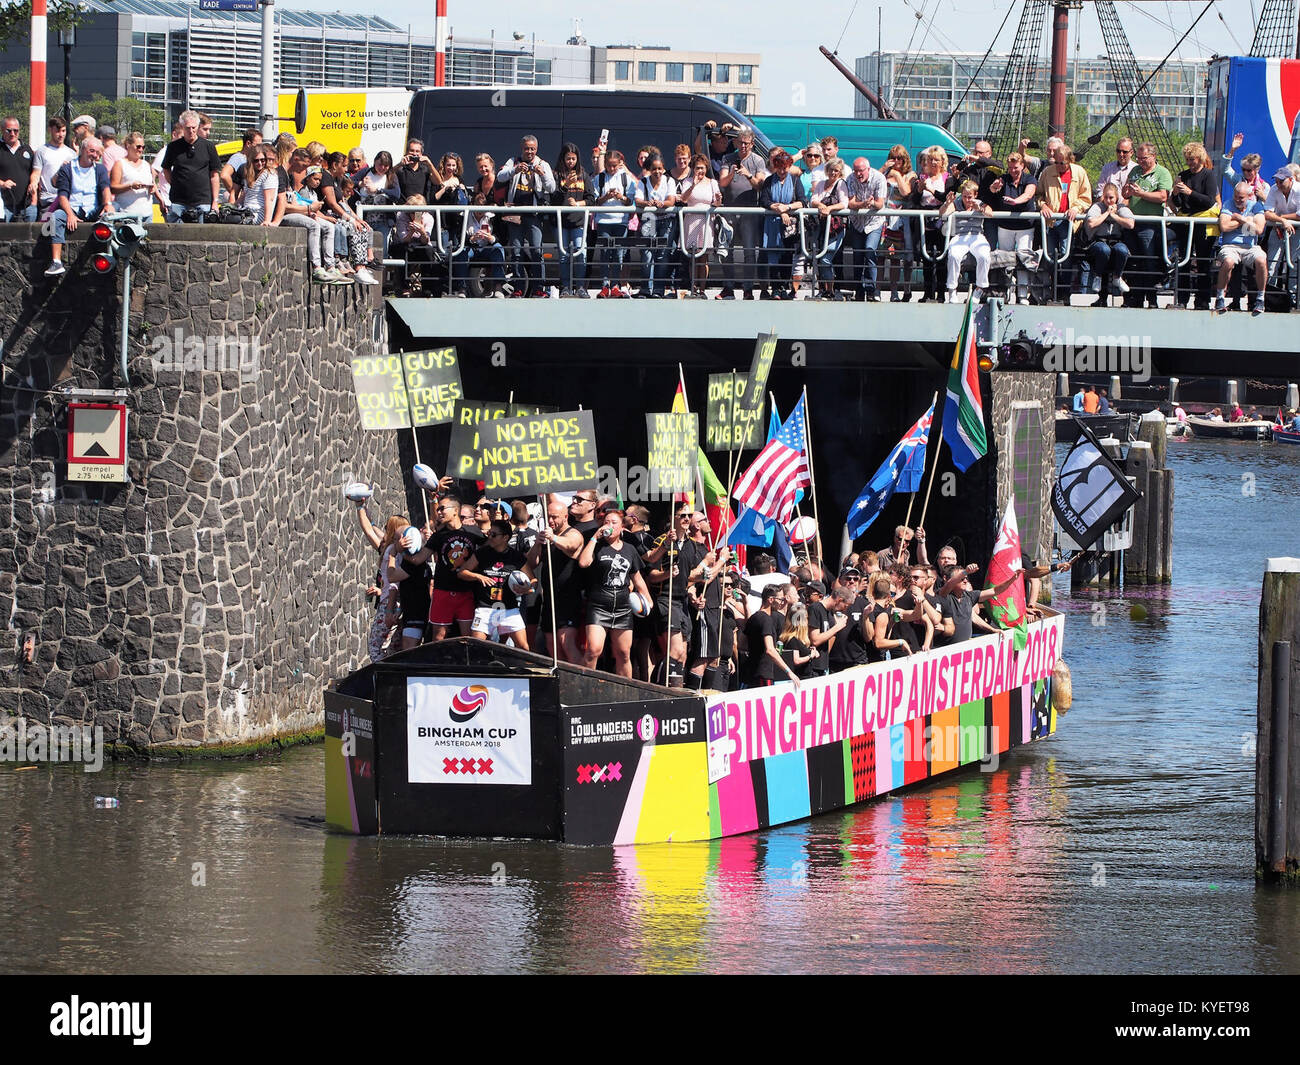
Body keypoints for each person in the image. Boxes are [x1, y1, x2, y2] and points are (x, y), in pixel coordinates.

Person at [578, 510, 654, 676]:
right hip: (599, 605)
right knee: (593, 650)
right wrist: (594, 538)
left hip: (622, 607)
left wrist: (648, 598)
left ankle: (625, 691)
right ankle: (583, 686)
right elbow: (583, 563)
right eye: (606, 522)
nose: (609, 525)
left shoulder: (630, 549)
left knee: (624, 654)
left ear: (622, 527)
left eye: (613, 522)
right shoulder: (597, 546)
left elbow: (637, 577)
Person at [527, 500, 587, 663]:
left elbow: (571, 545)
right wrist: (538, 544)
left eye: (554, 517)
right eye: (549, 518)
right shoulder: (547, 536)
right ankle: (561, 682)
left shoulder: (572, 533)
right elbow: (532, 562)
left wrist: (552, 537)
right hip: (550, 599)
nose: (551, 521)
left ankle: (580, 682)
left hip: (568, 598)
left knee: (566, 642)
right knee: (552, 645)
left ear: (565, 517)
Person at [458, 519, 533, 649]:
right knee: (476, 646)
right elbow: (462, 572)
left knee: (524, 647)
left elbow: (533, 581)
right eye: (489, 533)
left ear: (505, 537)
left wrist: (527, 588)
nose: (490, 537)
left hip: (508, 608)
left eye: (493, 535)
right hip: (485, 607)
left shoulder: (516, 556)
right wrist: (478, 576)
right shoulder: (482, 553)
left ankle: (521, 669)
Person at [498, 135, 557, 297]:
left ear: (536, 149)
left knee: (537, 251)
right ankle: (518, 288)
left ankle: (539, 288)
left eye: (532, 148)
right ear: (521, 148)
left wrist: (542, 174)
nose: (529, 152)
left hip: (533, 213)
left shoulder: (542, 163)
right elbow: (500, 176)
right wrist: (514, 170)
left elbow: (552, 188)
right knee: (516, 252)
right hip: (514, 212)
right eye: (526, 148)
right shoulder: (513, 161)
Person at [44, 137, 111, 277]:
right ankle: (56, 261)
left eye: (98, 153)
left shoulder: (100, 169)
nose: (95, 155)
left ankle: (109, 256)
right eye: (91, 151)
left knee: (112, 213)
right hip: (73, 207)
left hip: (93, 209)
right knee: (56, 217)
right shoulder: (67, 168)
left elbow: (105, 188)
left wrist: (107, 204)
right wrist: (69, 214)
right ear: (82, 150)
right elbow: (62, 195)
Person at [1035, 142, 1092, 298]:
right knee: (1050, 257)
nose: (1059, 165)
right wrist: (1043, 206)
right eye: (1057, 162)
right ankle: (1052, 291)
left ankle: (1064, 292)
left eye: (1063, 163)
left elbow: (1086, 198)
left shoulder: (1079, 173)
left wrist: (1076, 208)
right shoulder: (1047, 172)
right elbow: (1039, 195)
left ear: (1070, 161)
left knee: (1065, 256)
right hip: (1051, 220)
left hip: (1069, 221)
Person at [1122, 142, 1174, 309]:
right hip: (1132, 222)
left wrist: (1141, 194)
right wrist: (1127, 192)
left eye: (1144, 158)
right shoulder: (1135, 171)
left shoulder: (1162, 173)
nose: (1141, 162)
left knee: (1149, 260)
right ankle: (1134, 297)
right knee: (1133, 260)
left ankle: (1151, 298)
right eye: (1138, 158)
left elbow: (1162, 197)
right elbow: (1126, 193)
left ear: (1153, 156)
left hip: (1150, 224)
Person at [718, 128, 768, 300]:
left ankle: (748, 289)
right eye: (741, 143)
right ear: (737, 143)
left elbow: (759, 185)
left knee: (749, 251)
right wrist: (732, 173)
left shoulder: (758, 161)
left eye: (747, 143)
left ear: (752, 144)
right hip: (730, 209)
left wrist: (748, 175)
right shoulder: (728, 158)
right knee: (727, 250)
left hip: (749, 211)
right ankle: (728, 287)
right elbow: (722, 183)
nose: (744, 146)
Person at [1170, 142, 1220, 311]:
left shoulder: (1208, 175)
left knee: (1203, 262)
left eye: (1192, 159)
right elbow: (1178, 203)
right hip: (1186, 222)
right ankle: (1182, 298)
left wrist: (1190, 192)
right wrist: (1176, 194)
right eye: (1187, 159)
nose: (1189, 163)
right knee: (1184, 260)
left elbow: (1209, 200)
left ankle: (1203, 300)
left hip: (1203, 224)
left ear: (1200, 159)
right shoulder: (1183, 176)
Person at [986, 152, 1038, 303]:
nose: (1012, 171)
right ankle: (1005, 291)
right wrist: (994, 187)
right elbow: (993, 191)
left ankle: (1022, 294)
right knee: (1005, 259)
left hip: (1025, 226)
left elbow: (1028, 195)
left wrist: (1015, 202)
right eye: (1010, 168)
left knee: (1023, 257)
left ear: (1022, 166)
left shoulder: (1030, 179)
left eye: (1015, 168)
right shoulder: (1004, 178)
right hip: (1006, 226)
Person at [1214, 181, 1268, 315]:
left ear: (1249, 196)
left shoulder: (1256, 206)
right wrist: (1248, 221)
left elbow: (1259, 229)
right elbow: (1224, 227)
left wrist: (1239, 218)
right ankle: (1220, 297)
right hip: (1230, 246)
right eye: (1236, 196)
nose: (1238, 200)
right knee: (1228, 262)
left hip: (1250, 246)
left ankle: (1260, 298)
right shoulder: (1228, 204)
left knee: (1261, 260)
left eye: (1241, 197)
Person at [160, 110, 220, 222]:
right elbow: (166, 169)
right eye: (188, 128)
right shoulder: (173, 147)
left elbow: (214, 175)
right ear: (182, 127)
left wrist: (215, 201)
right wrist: (175, 183)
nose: (191, 131)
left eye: (194, 127)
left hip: (203, 201)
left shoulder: (209, 146)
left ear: (197, 127)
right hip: (179, 201)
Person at [759, 149, 803, 300]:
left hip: (789, 227)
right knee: (773, 257)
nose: (783, 170)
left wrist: (788, 208)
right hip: (772, 225)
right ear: (775, 166)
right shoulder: (769, 181)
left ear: (790, 166)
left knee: (787, 257)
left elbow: (802, 201)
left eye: (785, 167)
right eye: (780, 167)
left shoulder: (796, 181)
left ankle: (784, 286)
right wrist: (779, 210)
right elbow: (764, 200)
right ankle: (775, 288)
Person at [843, 155, 888, 300]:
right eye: (856, 171)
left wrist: (872, 203)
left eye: (861, 171)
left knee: (869, 251)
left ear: (868, 169)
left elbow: (880, 203)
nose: (858, 174)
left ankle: (871, 290)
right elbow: (850, 203)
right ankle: (858, 290)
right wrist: (863, 204)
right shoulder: (850, 179)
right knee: (857, 255)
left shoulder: (879, 178)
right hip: (857, 223)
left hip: (874, 222)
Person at [1082, 183, 1135, 305]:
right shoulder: (1097, 207)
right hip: (1099, 242)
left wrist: (1115, 216)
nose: (1108, 200)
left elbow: (1130, 224)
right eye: (1106, 197)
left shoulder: (1121, 208)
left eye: (1111, 198)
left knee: (1122, 250)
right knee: (1103, 250)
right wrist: (1107, 213)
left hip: (1116, 241)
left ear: (1116, 197)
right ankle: (1098, 276)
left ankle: (1117, 277)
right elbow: (1091, 223)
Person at [940, 179, 993, 301]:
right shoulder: (957, 202)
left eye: (970, 197)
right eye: (964, 196)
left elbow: (990, 213)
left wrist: (979, 208)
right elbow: (943, 214)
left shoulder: (980, 203)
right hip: (960, 235)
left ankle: (980, 288)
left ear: (975, 195)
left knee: (984, 256)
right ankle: (952, 289)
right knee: (954, 255)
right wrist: (947, 204)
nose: (967, 200)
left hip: (977, 235)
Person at [633, 153, 678, 298]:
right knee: (647, 254)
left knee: (662, 256)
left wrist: (662, 204)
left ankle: (658, 290)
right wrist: (648, 203)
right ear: (649, 169)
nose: (657, 172)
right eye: (654, 169)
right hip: (649, 218)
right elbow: (638, 200)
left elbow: (671, 201)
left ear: (664, 169)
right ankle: (646, 289)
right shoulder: (643, 182)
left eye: (660, 169)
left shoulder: (669, 180)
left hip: (666, 219)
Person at [677, 153, 722, 297]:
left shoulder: (712, 183)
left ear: (706, 168)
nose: (700, 171)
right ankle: (693, 288)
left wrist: (718, 200)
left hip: (706, 221)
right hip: (691, 220)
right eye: (697, 168)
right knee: (693, 258)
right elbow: (683, 199)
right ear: (693, 169)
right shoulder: (688, 182)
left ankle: (702, 289)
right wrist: (694, 184)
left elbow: (716, 203)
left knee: (703, 259)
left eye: (702, 168)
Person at [554, 142, 594, 297]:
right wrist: (566, 185)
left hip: (578, 222)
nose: (570, 162)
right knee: (563, 256)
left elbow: (591, 199)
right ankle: (565, 287)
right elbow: (553, 199)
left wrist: (578, 203)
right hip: (560, 222)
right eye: (568, 158)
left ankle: (580, 287)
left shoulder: (583, 175)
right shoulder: (556, 174)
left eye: (573, 159)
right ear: (562, 159)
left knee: (580, 252)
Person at [878, 144, 916, 301]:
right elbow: (870, 179)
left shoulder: (910, 175)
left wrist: (897, 175)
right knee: (880, 257)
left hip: (899, 222)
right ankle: (877, 290)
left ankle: (894, 291)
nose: (897, 161)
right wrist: (884, 169)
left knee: (895, 258)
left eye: (900, 158)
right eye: (893, 158)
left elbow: (906, 192)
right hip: (882, 220)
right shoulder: (884, 173)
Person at [810, 157, 850, 300]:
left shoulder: (841, 184)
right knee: (819, 258)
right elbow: (813, 200)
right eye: (832, 170)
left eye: (837, 171)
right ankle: (825, 290)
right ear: (827, 170)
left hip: (836, 229)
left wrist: (829, 208)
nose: (833, 173)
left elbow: (844, 203)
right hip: (821, 227)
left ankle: (831, 289)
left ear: (840, 172)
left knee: (826, 259)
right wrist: (820, 206)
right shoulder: (821, 183)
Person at [743, 584, 799, 687]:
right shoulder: (766, 620)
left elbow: (744, 644)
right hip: (763, 672)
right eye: (781, 599)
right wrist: (789, 671)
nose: (782, 602)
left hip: (751, 672)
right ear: (771, 600)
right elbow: (770, 650)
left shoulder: (754, 617)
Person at [916, 146, 952, 302]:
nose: (933, 162)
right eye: (931, 159)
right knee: (927, 257)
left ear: (942, 161)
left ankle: (941, 293)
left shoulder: (947, 178)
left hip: (942, 220)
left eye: (936, 159)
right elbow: (916, 200)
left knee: (943, 258)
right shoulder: (923, 177)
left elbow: (946, 198)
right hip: (926, 221)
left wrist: (931, 190)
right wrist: (918, 190)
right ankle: (927, 292)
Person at [1264, 165, 1300, 309]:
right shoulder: (1274, 189)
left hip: (1296, 230)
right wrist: (1283, 221)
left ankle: (1293, 298)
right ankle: (1269, 297)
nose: (1278, 184)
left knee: (1294, 264)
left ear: (1290, 180)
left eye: (1281, 181)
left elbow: (1299, 215)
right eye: (1277, 181)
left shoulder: (1298, 189)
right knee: (1272, 262)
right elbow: (1267, 213)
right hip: (1278, 229)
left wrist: (1280, 217)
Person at [32, 116, 75, 219]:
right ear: (50, 130)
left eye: (63, 131)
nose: (61, 135)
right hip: (48, 202)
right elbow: (36, 173)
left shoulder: (71, 154)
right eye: (58, 131)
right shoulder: (41, 151)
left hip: (67, 202)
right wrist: (33, 183)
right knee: (47, 231)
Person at [0, 116, 38, 222]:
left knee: (29, 238)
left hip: (28, 207)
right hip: (5, 207)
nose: (12, 134)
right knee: (5, 238)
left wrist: (34, 202)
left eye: (15, 130)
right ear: (2, 130)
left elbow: (35, 174)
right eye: (9, 130)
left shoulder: (27, 149)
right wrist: (2, 184)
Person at [236, 145, 276, 226]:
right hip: (246, 210)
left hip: (257, 214)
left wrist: (267, 220)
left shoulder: (269, 174)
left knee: (233, 219)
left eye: (262, 160)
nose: (260, 163)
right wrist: (233, 206)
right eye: (256, 161)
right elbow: (244, 195)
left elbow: (269, 199)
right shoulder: (250, 175)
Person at [220, 128, 262, 202]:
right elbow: (224, 175)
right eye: (257, 145)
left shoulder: (251, 159)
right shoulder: (239, 158)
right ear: (248, 143)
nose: (260, 148)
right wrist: (236, 193)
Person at [778, 606, 817, 680]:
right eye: (806, 618)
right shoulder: (792, 640)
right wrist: (810, 655)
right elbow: (796, 660)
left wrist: (812, 651)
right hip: (800, 679)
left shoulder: (798, 639)